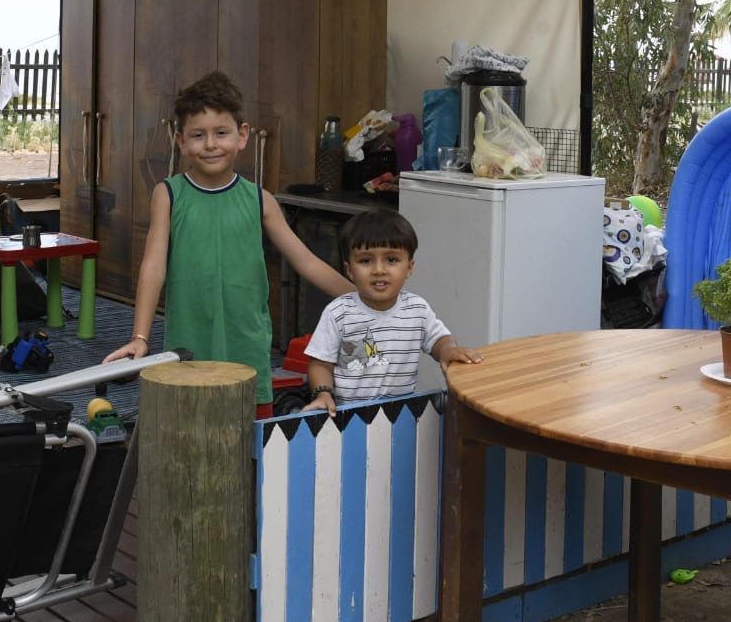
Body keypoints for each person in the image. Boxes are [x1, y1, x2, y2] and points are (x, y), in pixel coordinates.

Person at [103, 71, 354, 417]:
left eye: (221, 133)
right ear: (180, 142)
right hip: (187, 347)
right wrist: (140, 337)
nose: (210, 144)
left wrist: (361, 297)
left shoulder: (259, 199)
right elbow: (153, 265)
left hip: (246, 344)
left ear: (242, 135)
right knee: (187, 439)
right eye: (198, 135)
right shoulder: (169, 194)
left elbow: (305, 260)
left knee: (249, 445)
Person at [304, 208, 480, 413]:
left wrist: (448, 351)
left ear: (409, 267)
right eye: (365, 261)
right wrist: (323, 393)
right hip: (347, 419)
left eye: (392, 260)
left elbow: (439, 340)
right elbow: (320, 364)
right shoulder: (338, 312)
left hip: (401, 416)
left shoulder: (417, 309)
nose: (379, 270)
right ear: (350, 270)